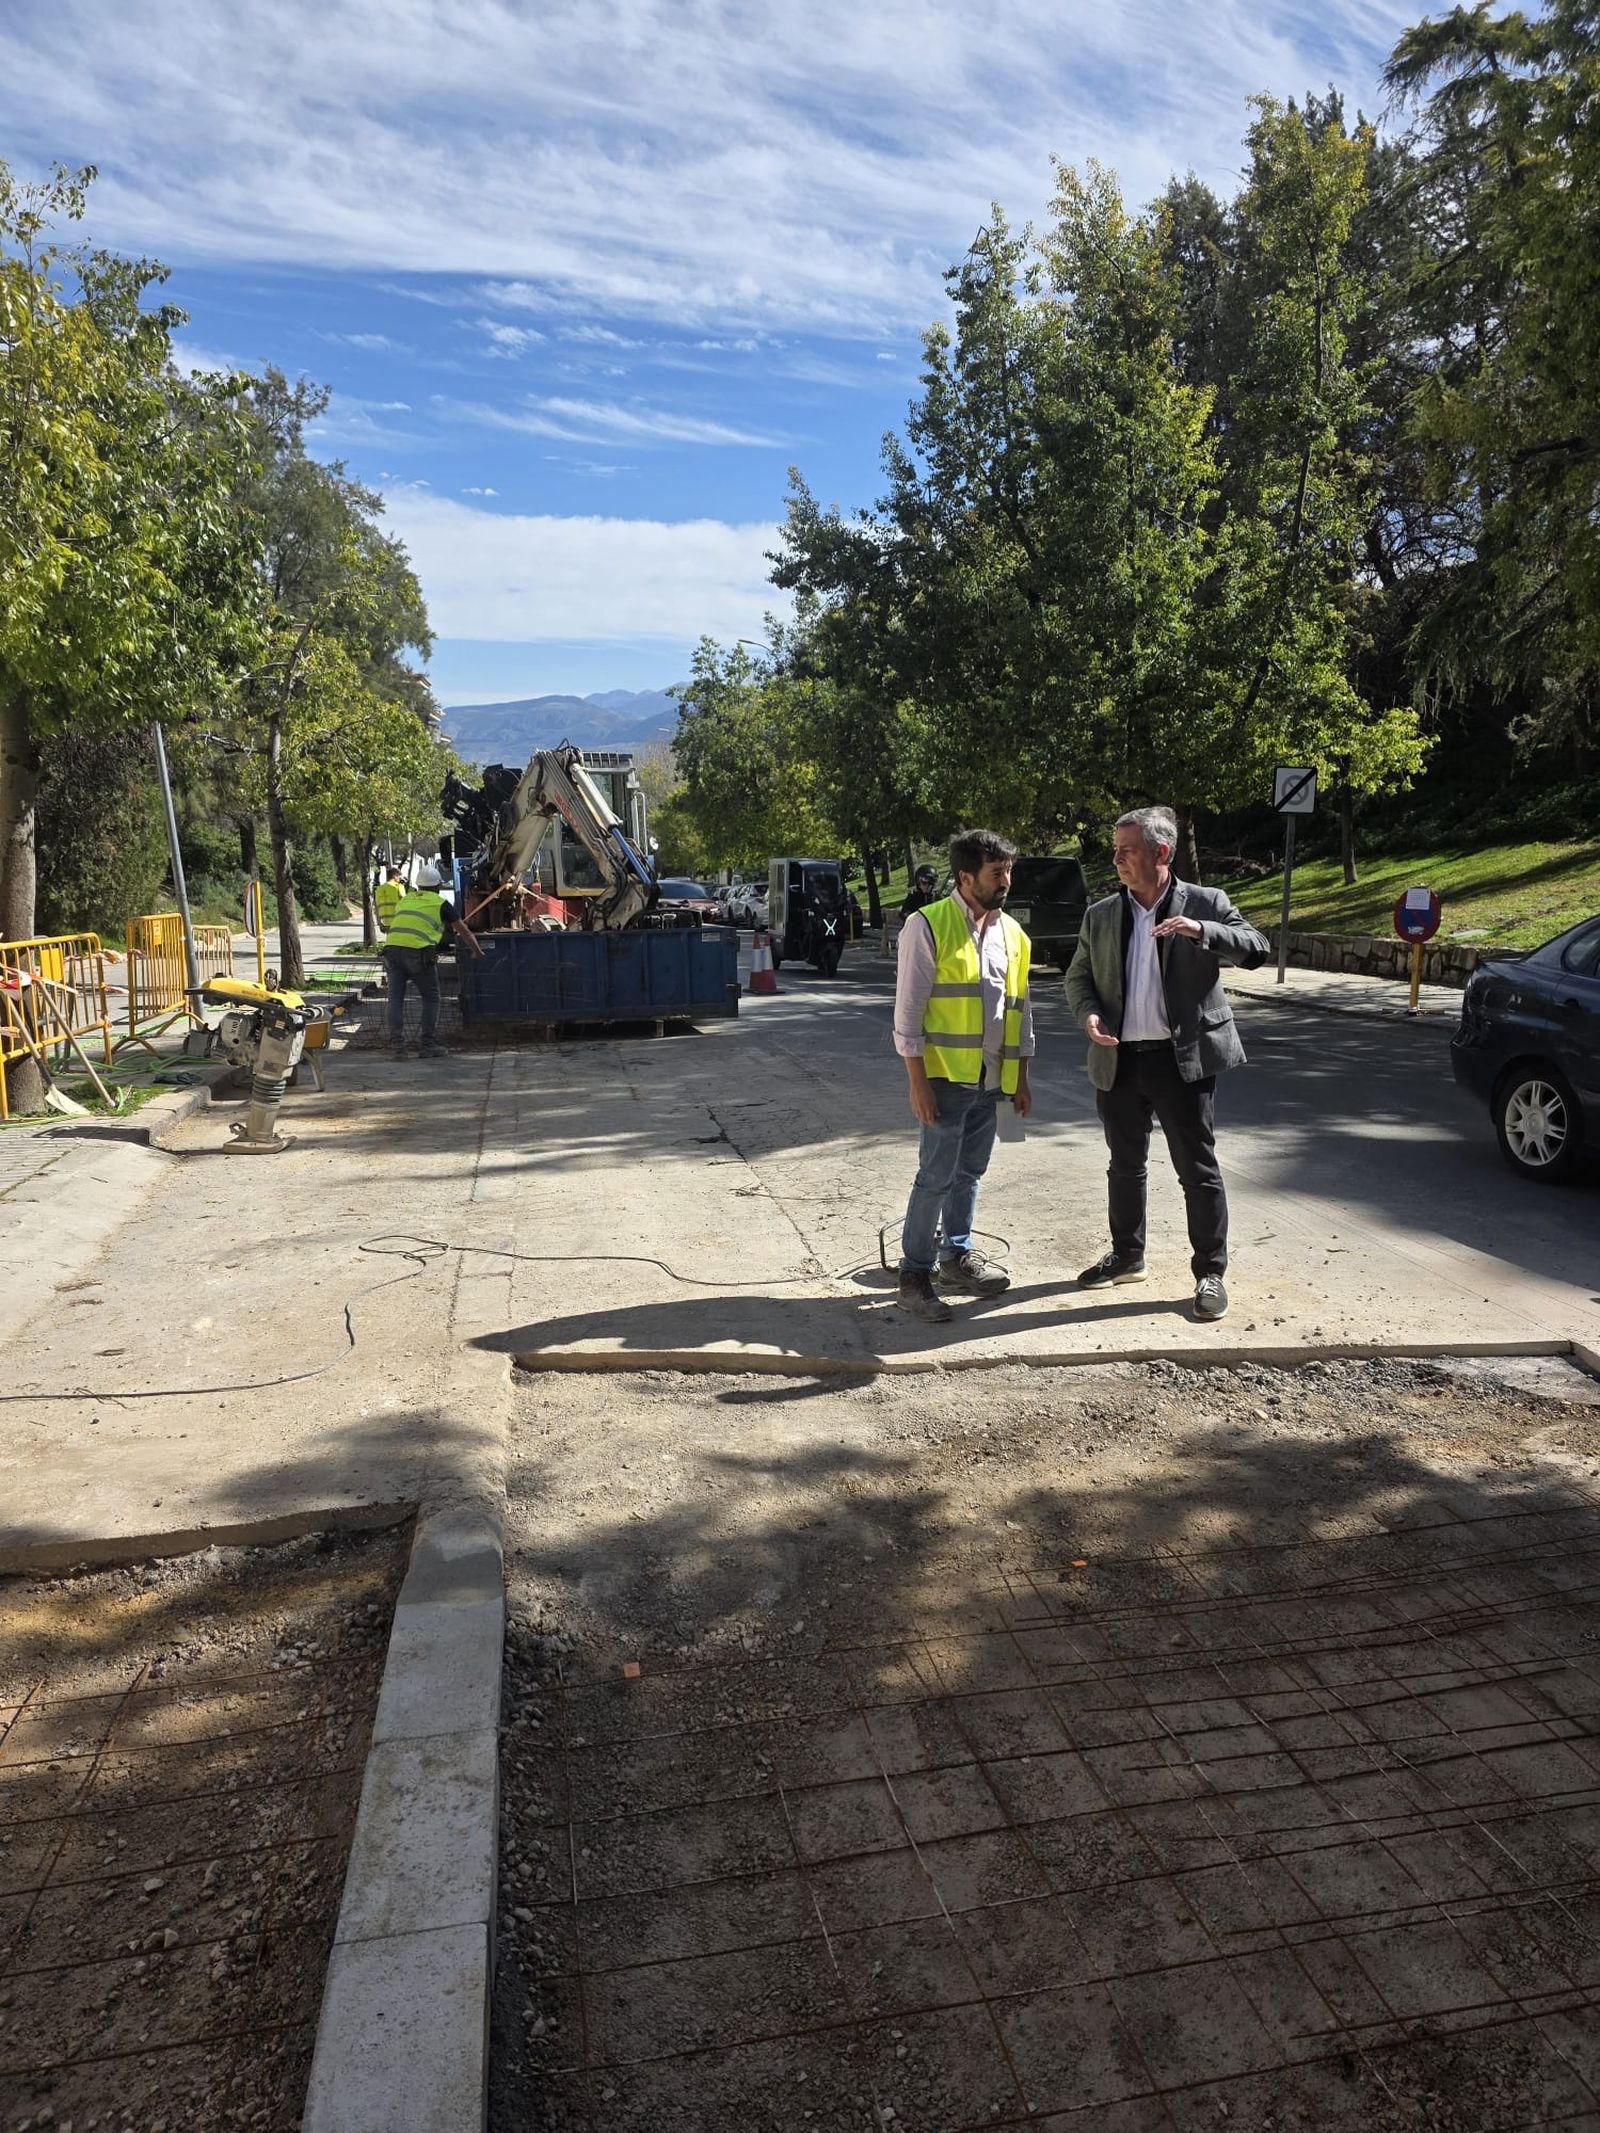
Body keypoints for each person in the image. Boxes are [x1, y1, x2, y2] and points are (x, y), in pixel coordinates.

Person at [1065, 806, 1268, 1322]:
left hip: (1185, 1060)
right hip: (1121, 1060)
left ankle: (1209, 1274)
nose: (1116, 860)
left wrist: (1202, 930)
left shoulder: (1206, 902)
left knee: (1197, 1170)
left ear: (1161, 853)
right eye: (1115, 850)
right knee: (1124, 1165)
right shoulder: (1101, 914)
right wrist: (1089, 1015)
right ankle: (1128, 1257)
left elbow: (1257, 948)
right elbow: (1079, 977)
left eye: (1126, 850)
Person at [893, 828, 1033, 1323]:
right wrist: (917, 1082)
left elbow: (1021, 1010)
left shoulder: (1014, 935)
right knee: (935, 1177)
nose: (1007, 881)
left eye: (1009, 871)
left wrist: (1021, 1080)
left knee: (970, 1174)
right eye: (998, 873)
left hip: (994, 1081)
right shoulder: (926, 926)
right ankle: (914, 1276)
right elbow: (908, 1015)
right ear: (966, 876)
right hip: (945, 1081)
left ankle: (956, 1258)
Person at [382, 863, 484, 1061]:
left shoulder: (405, 900)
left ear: (419, 886)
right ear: (438, 887)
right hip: (418, 953)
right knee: (431, 997)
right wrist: (477, 952)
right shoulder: (440, 903)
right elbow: (463, 930)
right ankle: (428, 1044)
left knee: (395, 999)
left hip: (392, 951)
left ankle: (398, 1048)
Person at [374, 865, 404, 934]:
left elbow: (376, 907)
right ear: (394, 876)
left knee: (390, 941)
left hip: (385, 923)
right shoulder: (398, 886)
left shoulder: (380, 889)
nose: (400, 878)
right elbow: (405, 903)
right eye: (399, 876)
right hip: (398, 922)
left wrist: (379, 923)